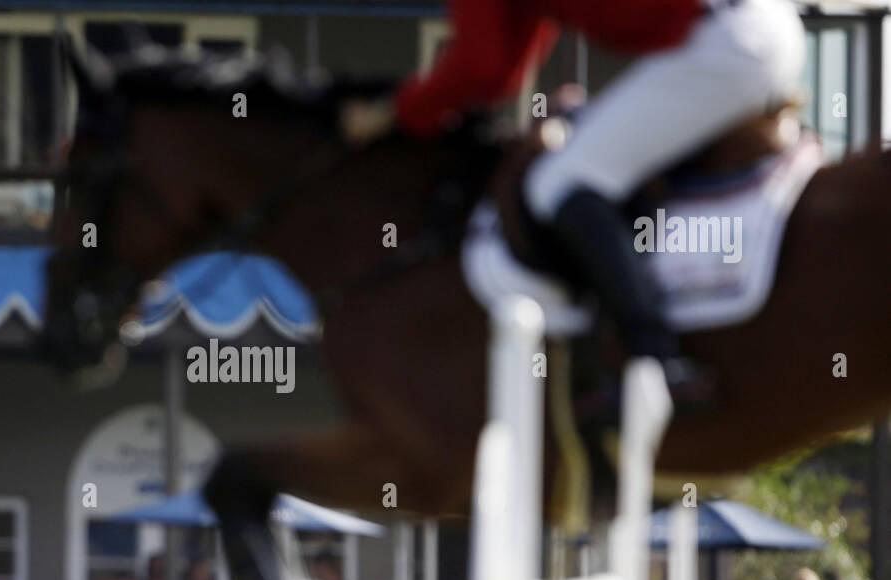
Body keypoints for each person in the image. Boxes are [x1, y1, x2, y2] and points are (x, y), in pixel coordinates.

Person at [341, 0, 806, 409]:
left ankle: (658, 360)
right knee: (593, 164)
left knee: (560, 181)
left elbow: (484, 66)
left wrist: (391, 112)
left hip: (722, 40)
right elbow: (504, 65)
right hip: (752, 26)